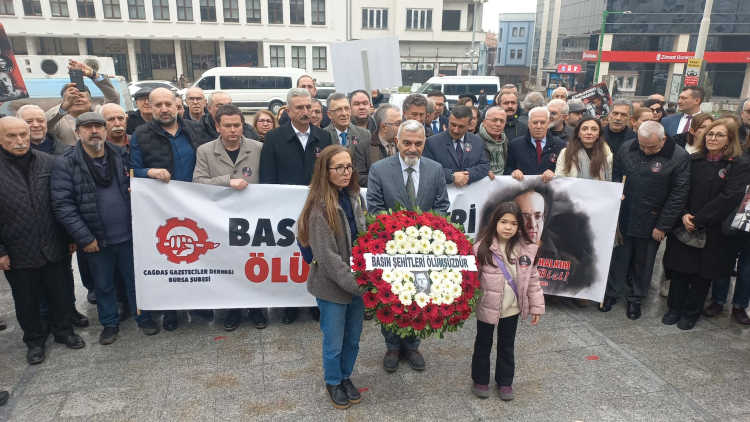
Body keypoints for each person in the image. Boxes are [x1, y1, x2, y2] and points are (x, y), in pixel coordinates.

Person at [51, 113, 160, 344]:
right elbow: (63, 205)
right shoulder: (66, 163)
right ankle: (110, 324)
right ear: (78, 132)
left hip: (130, 235)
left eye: (98, 127)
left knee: (136, 280)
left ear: (105, 130)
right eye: (87, 127)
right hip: (96, 239)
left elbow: (136, 179)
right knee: (103, 286)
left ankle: (143, 318)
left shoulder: (121, 155)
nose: (94, 131)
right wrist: (84, 237)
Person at [0, 117, 86, 364]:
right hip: (17, 248)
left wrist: (69, 236)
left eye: (23, 134)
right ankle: (34, 341)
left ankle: (64, 332)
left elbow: (64, 202)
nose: (19, 140)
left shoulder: (49, 162)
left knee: (60, 293)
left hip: (53, 243)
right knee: (26, 300)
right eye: (11, 136)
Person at [366, 120, 450, 373]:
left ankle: (413, 346)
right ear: (397, 142)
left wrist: (425, 236)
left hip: (424, 251)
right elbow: (375, 208)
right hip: (391, 249)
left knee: (420, 295)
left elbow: (442, 206)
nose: (412, 148)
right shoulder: (379, 169)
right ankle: (392, 346)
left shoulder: (435, 169)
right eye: (407, 142)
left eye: (418, 143)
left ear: (424, 143)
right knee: (391, 297)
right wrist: (399, 237)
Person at [129, 88, 212, 331]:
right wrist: (149, 172)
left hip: (197, 204)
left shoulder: (195, 129)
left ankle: (197, 302)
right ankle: (171, 310)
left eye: (168, 104)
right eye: (158, 105)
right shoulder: (140, 134)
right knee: (169, 258)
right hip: (163, 209)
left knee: (197, 255)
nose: (164, 109)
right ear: (150, 107)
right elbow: (133, 170)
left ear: (178, 105)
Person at [296, 144, 367, 409]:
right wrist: (356, 284)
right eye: (339, 168)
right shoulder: (319, 208)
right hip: (333, 286)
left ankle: (346, 376)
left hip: (358, 281)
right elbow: (326, 257)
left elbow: (365, 235)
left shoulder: (355, 197)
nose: (346, 172)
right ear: (325, 171)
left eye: (349, 166)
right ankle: (333, 381)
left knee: (353, 338)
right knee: (334, 341)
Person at [662, 119, 748, 330]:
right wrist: (684, 214)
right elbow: (679, 189)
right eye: (710, 134)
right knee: (680, 269)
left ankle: (691, 313)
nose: (713, 138)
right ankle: (674, 308)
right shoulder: (692, 159)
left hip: (715, 229)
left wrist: (699, 219)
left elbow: (731, 197)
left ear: (730, 139)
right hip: (686, 223)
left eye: (719, 135)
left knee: (703, 274)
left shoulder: (738, 164)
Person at [600, 121, 690, 319]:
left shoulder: (679, 156)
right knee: (618, 259)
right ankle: (610, 294)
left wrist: (663, 225)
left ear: (663, 140)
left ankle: (636, 299)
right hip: (624, 214)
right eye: (642, 145)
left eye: (651, 147)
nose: (646, 150)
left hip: (653, 219)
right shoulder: (628, 147)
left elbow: (678, 195)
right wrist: (616, 190)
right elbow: (616, 173)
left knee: (645, 262)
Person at [260, 87, 332, 324]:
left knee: (317, 254)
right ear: (288, 111)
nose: (305, 112)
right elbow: (268, 178)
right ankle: (290, 305)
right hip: (285, 211)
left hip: (317, 209)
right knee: (289, 256)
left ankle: (315, 302)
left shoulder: (324, 137)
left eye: (308, 107)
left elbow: (328, 173)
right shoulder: (273, 138)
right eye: (299, 107)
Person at [193, 104, 267, 331]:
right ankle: (233, 310)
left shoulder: (259, 148)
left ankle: (256, 308)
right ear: (217, 127)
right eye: (227, 126)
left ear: (243, 125)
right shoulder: (205, 151)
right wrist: (227, 181)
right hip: (221, 221)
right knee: (230, 265)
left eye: (237, 125)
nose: (233, 130)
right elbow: (198, 182)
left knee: (253, 263)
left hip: (253, 219)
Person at [471, 201, 544, 400]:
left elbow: (533, 280)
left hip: (511, 309)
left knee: (506, 345)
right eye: (503, 222)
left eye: (513, 223)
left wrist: (536, 306)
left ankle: (504, 381)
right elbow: (471, 279)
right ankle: (480, 379)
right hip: (487, 307)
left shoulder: (527, 250)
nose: (508, 227)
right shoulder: (481, 248)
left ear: (519, 226)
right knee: (483, 344)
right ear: (495, 222)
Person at [45, 60, 120, 146]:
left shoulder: (99, 113)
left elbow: (113, 97)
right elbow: (45, 123)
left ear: (90, 102)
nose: (77, 99)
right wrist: (66, 105)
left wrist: (93, 75)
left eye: (81, 96)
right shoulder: (60, 122)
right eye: (72, 97)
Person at [423, 105, 490, 187]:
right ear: (449, 120)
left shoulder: (477, 142)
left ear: (469, 124)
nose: (455, 130)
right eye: (453, 125)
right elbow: (427, 168)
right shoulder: (432, 142)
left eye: (461, 126)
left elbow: (484, 166)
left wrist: (467, 175)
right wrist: (451, 176)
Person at [505, 107, 566, 183]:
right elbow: (507, 168)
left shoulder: (560, 145)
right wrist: (513, 172)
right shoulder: (515, 144)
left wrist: (554, 173)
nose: (538, 126)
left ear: (548, 123)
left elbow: (565, 172)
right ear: (528, 123)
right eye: (535, 122)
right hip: (524, 188)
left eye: (542, 122)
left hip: (549, 189)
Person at [353, 103, 401, 187]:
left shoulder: (405, 145)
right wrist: (386, 180)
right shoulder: (363, 148)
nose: (402, 127)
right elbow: (358, 177)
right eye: (398, 123)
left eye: (402, 123)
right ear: (384, 127)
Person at [479, 107, 509, 177]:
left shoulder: (505, 141)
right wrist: (483, 171)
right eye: (494, 120)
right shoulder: (474, 141)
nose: (498, 124)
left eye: (502, 121)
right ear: (485, 122)